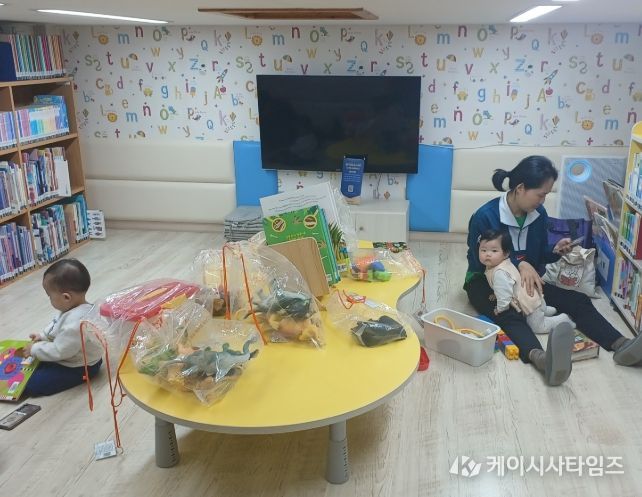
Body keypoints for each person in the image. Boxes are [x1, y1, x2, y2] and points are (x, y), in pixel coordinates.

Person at [464, 155, 642, 386]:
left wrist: (555, 250)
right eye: (541, 194)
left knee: (578, 301)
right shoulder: (485, 216)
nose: (543, 200)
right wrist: (519, 264)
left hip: (527, 283)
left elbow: (538, 256)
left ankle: (621, 345)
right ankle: (542, 359)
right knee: (509, 313)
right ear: (520, 188)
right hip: (486, 280)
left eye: (546, 195)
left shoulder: (538, 215)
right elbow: (480, 260)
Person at [22, 258, 103, 396]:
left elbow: (60, 351)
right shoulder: (73, 308)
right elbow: (56, 324)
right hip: (71, 355)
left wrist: (34, 349)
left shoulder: (76, 323)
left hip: (81, 366)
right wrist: (43, 336)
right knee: (36, 361)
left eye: (50, 296)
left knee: (32, 384)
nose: (49, 300)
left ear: (66, 297)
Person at [479, 229, 575, 334]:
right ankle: (545, 310)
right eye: (483, 250)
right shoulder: (502, 264)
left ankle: (563, 319)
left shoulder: (499, 273)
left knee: (538, 327)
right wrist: (496, 293)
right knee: (539, 308)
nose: (488, 254)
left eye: (494, 251)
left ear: (506, 254)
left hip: (529, 302)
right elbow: (506, 285)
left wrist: (500, 309)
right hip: (533, 295)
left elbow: (504, 296)